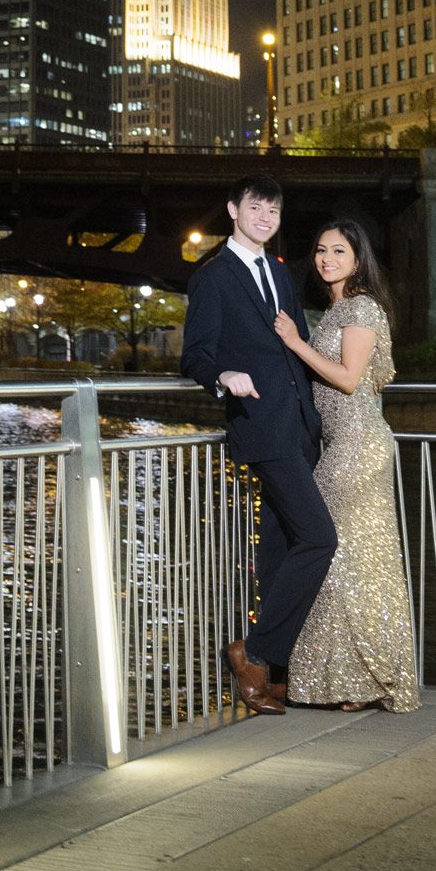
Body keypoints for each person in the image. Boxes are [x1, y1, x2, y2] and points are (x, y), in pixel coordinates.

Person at [180, 174, 336, 714]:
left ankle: (271, 674)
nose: (265, 217)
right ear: (233, 210)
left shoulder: (278, 271)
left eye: (273, 210)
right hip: (261, 427)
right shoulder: (213, 277)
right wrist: (225, 374)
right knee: (319, 538)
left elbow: (298, 348)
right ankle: (253, 652)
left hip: (297, 428)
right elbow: (194, 355)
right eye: (256, 207)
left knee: (280, 550)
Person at [274, 219, 420, 713]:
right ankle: (351, 680)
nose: (326, 258)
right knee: (347, 559)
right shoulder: (336, 309)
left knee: (340, 557)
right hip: (344, 446)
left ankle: (362, 678)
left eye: (338, 250)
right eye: (320, 250)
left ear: (358, 259)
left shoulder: (359, 307)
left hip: (357, 447)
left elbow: (351, 378)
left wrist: (295, 342)